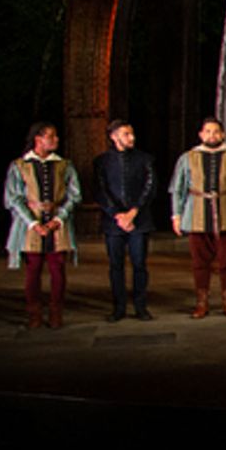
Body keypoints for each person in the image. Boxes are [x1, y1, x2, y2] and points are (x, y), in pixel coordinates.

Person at [169, 117, 226, 318]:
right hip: (197, 215)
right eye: (207, 131)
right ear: (201, 134)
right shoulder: (188, 157)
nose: (212, 135)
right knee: (200, 262)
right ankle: (202, 302)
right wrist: (177, 215)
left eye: (216, 131)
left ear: (223, 134)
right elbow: (178, 189)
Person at [5, 122, 81, 330]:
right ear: (38, 139)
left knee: (57, 267)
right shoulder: (20, 165)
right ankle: (34, 313)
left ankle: (56, 312)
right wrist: (33, 222)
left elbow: (74, 195)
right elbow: (13, 198)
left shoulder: (64, 165)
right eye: (51, 136)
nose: (56, 140)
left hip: (58, 221)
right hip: (31, 223)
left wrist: (59, 218)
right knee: (34, 269)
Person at [93, 120, 156, 322]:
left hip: (139, 219)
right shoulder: (102, 161)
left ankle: (140, 306)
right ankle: (118, 307)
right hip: (114, 222)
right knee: (116, 265)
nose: (132, 138)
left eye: (132, 133)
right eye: (126, 134)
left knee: (139, 263)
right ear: (114, 136)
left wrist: (133, 212)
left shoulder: (145, 159)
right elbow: (100, 190)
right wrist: (116, 214)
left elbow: (150, 188)